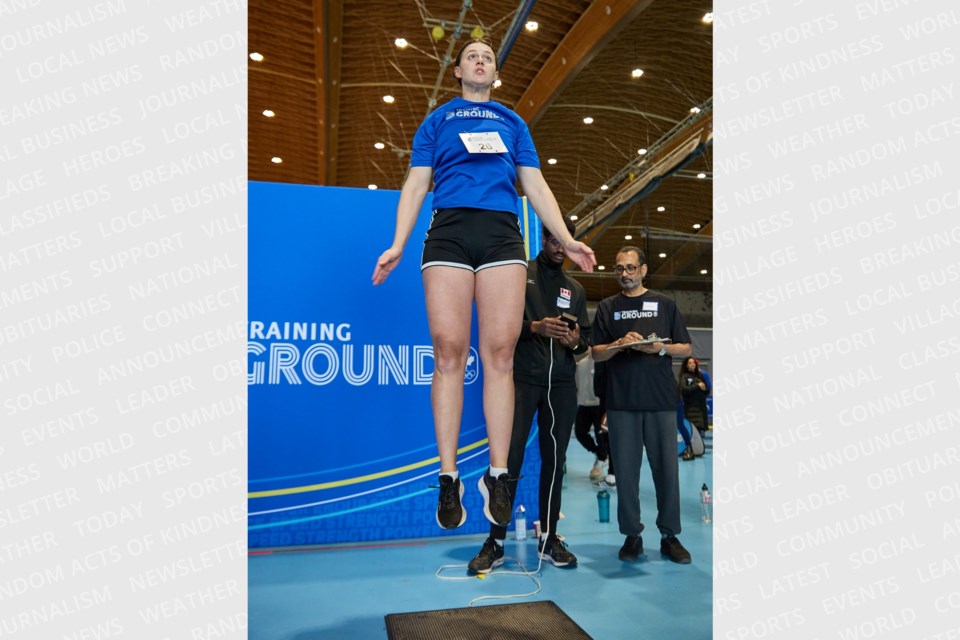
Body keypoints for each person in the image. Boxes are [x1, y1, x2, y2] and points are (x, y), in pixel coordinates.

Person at [371, 39, 596, 532]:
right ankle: (448, 478)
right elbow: (416, 183)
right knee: (449, 352)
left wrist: (567, 238)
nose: (480, 60)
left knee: (499, 355)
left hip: (501, 236)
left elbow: (535, 185)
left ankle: (498, 476)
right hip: (448, 233)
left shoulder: (513, 124)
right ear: (457, 71)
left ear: (495, 73)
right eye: (472, 55)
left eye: (488, 57)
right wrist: (398, 243)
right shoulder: (438, 121)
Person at [467, 220, 590, 573]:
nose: (557, 247)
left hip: (561, 386)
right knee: (508, 462)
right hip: (519, 382)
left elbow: (586, 342)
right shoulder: (521, 274)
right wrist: (534, 327)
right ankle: (496, 541)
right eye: (552, 239)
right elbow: (495, 324)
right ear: (543, 239)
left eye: (563, 242)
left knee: (555, 464)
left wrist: (573, 341)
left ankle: (549, 538)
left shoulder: (575, 289)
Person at [591, 246, 693, 565]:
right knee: (626, 473)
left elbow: (685, 346)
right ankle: (632, 535)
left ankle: (669, 535)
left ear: (643, 270)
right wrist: (618, 345)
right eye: (619, 268)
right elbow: (595, 352)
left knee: (666, 471)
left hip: (661, 400)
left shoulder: (664, 304)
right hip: (622, 402)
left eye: (630, 268)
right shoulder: (608, 307)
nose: (624, 273)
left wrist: (659, 348)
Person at [678, 356, 710, 459]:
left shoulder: (700, 376)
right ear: (686, 365)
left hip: (701, 410)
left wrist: (705, 388)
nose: (692, 364)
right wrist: (697, 386)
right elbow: (685, 390)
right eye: (690, 363)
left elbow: (707, 391)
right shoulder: (684, 377)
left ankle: (698, 450)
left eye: (694, 363)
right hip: (691, 410)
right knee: (693, 433)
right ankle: (690, 450)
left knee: (701, 433)